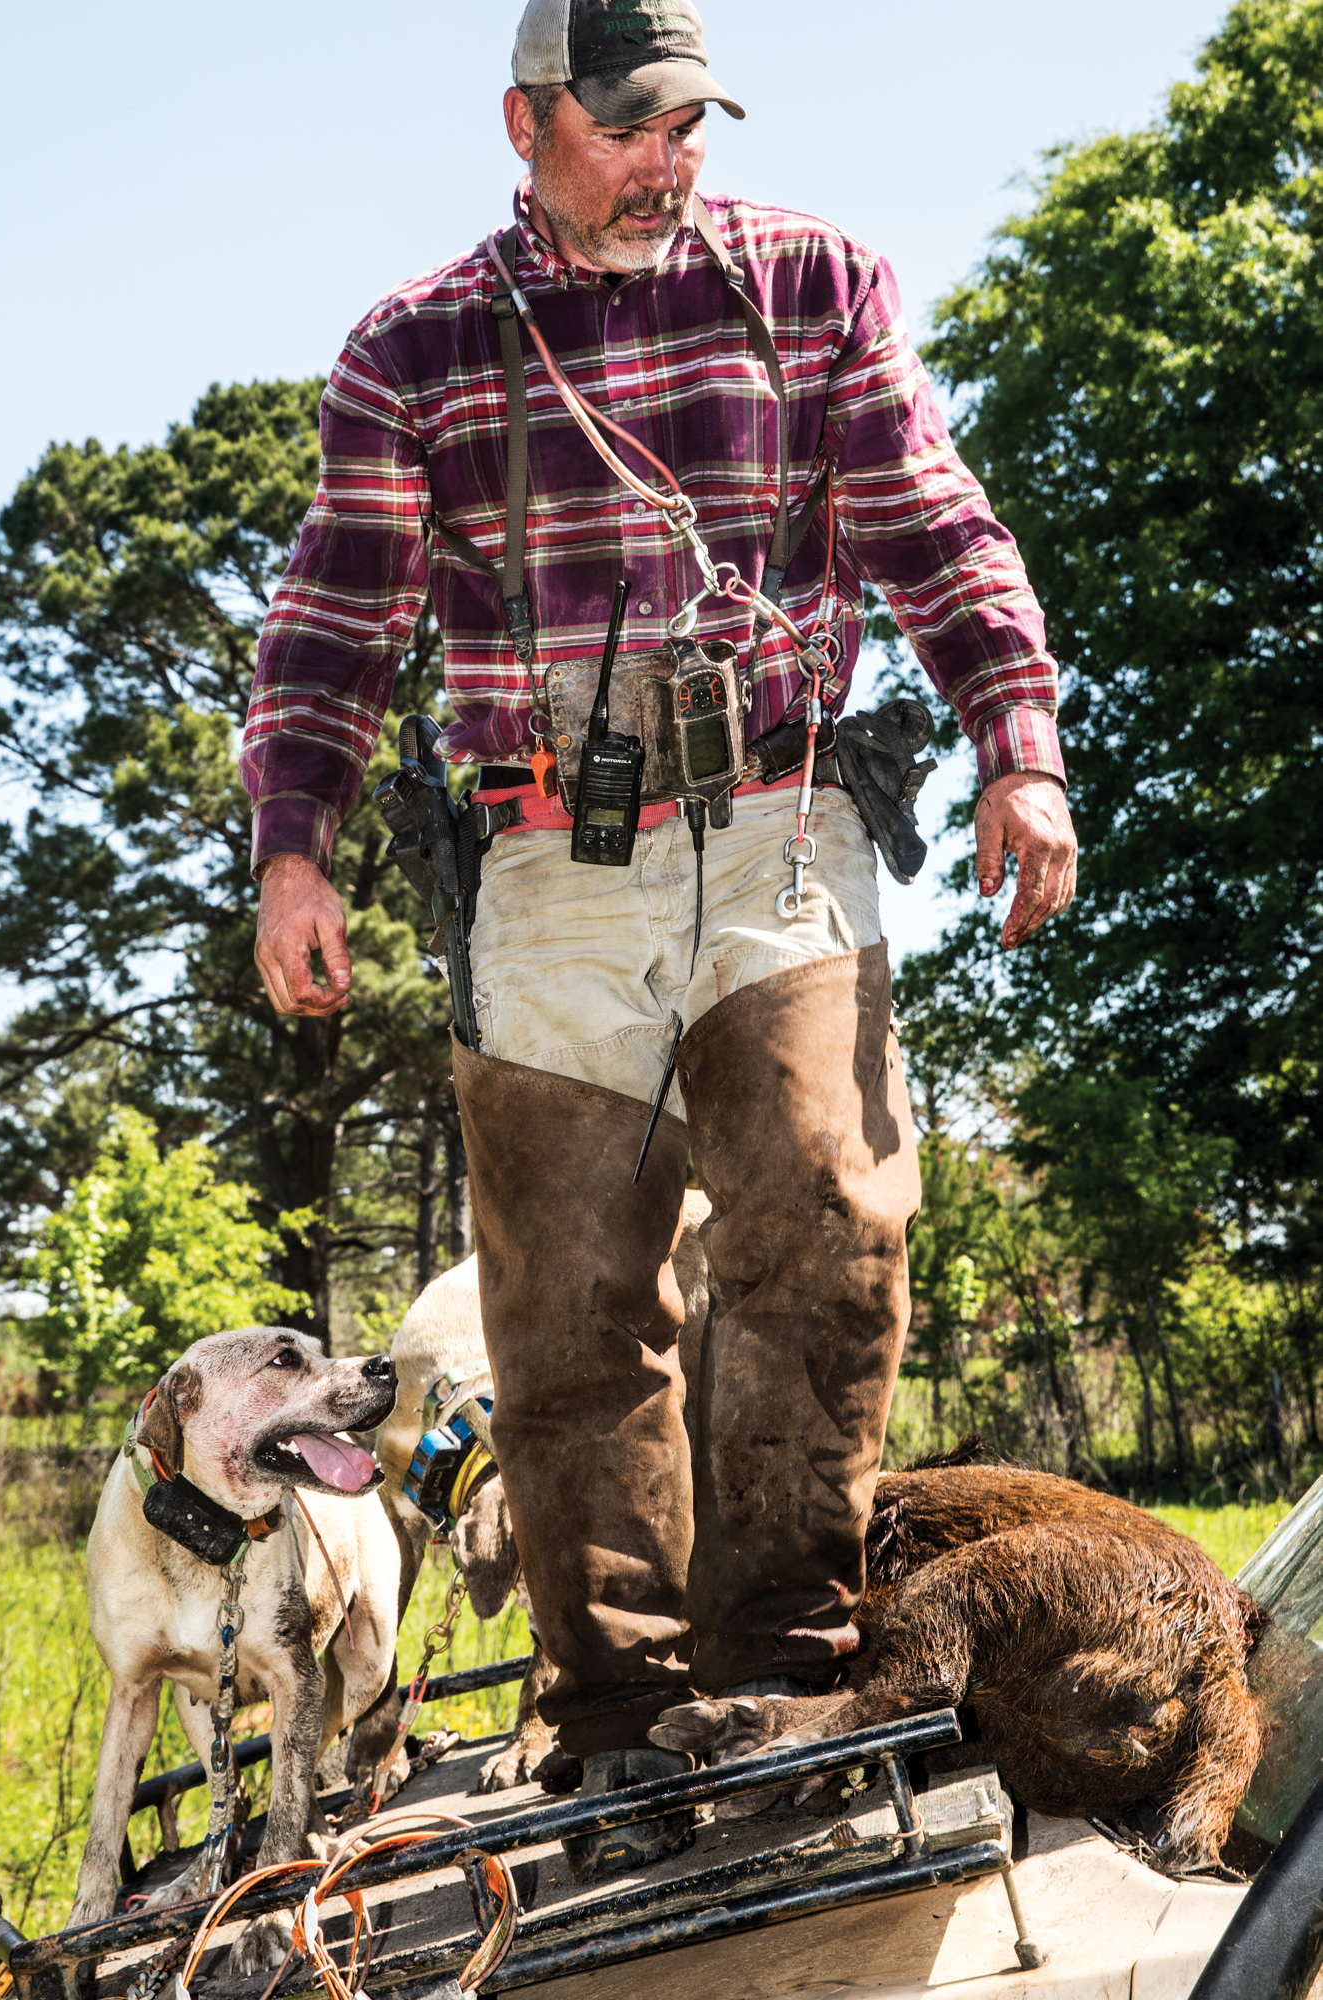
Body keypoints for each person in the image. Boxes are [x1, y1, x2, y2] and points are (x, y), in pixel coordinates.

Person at [244, 0, 1077, 1878]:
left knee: (826, 1214)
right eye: (629, 125)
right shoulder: (414, 347)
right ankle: (619, 1716)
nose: (666, 159)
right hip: (544, 864)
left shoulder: (815, 283)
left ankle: (783, 1670)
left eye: (689, 121)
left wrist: (1013, 742)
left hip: (786, 825)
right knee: (567, 1302)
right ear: (526, 120)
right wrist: (292, 847)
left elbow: (933, 520)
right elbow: (332, 613)